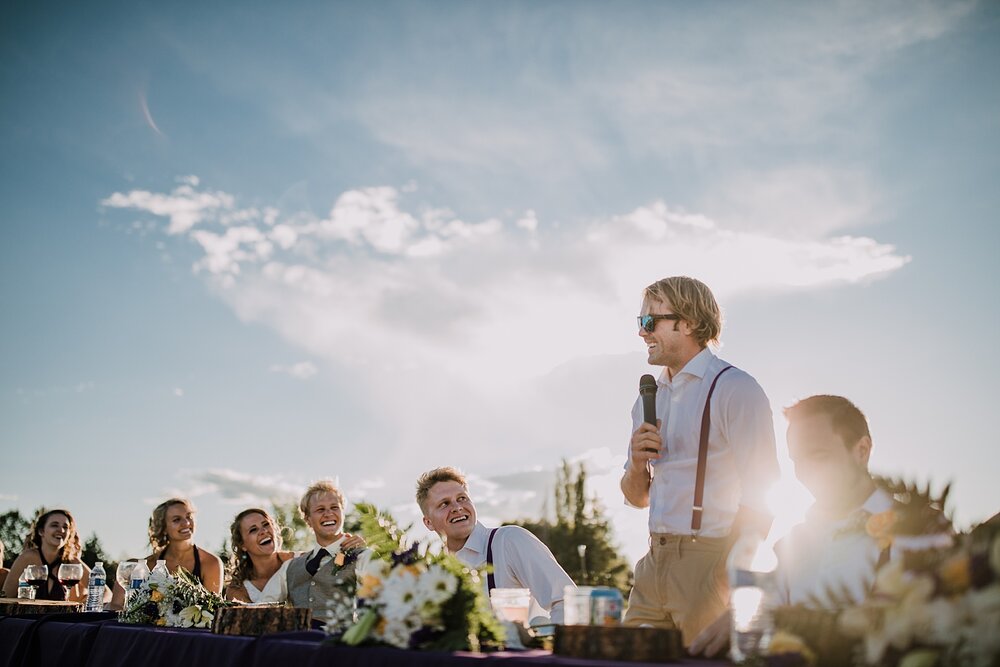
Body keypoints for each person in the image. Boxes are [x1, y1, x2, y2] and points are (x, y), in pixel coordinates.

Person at [620, 276, 779, 645]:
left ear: (688, 322)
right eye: (640, 323)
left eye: (650, 322)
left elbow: (763, 495)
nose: (642, 333)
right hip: (651, 564)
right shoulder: (649, 397)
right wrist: (634, 464)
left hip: (708, 561)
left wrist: (725, 580)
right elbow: (636, 498)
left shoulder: (735, 388)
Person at [690, 395, 893, 657]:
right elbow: (764, 628)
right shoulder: (786, 547)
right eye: (797, 461)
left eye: (818, 456)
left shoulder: (918, 533)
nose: (805, 472)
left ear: (862, 451)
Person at [416, 466, 575, 624]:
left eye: (462, 498)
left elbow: (566, 601)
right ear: (428, 522)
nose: (457, 507)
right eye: (444, 504)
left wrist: (559, 646)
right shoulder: (435, 572)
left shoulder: (509, 540)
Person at [226, 506, 367, 604]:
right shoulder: (238, 588)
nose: (263, 531)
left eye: (266, 525)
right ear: (242, 545)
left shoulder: (304, 561)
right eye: (253, 530)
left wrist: (356, 548)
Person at [286, 480, 371, 627]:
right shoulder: (291, 565)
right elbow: (265, 601)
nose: (328, 513)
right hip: (298, 645)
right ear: (308, 519)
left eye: (334, 507)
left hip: (339, 644)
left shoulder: (363, 557)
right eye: (320, 510)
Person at [1, 508, 92, 602]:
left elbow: (105, 592)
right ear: (41, 531)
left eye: (65, 527)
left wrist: (86, 602)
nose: (61, 530)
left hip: (61, 616)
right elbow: (6, 596)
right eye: (54, 525)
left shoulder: (72, 562)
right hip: (28, 616)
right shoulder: (27, 558)